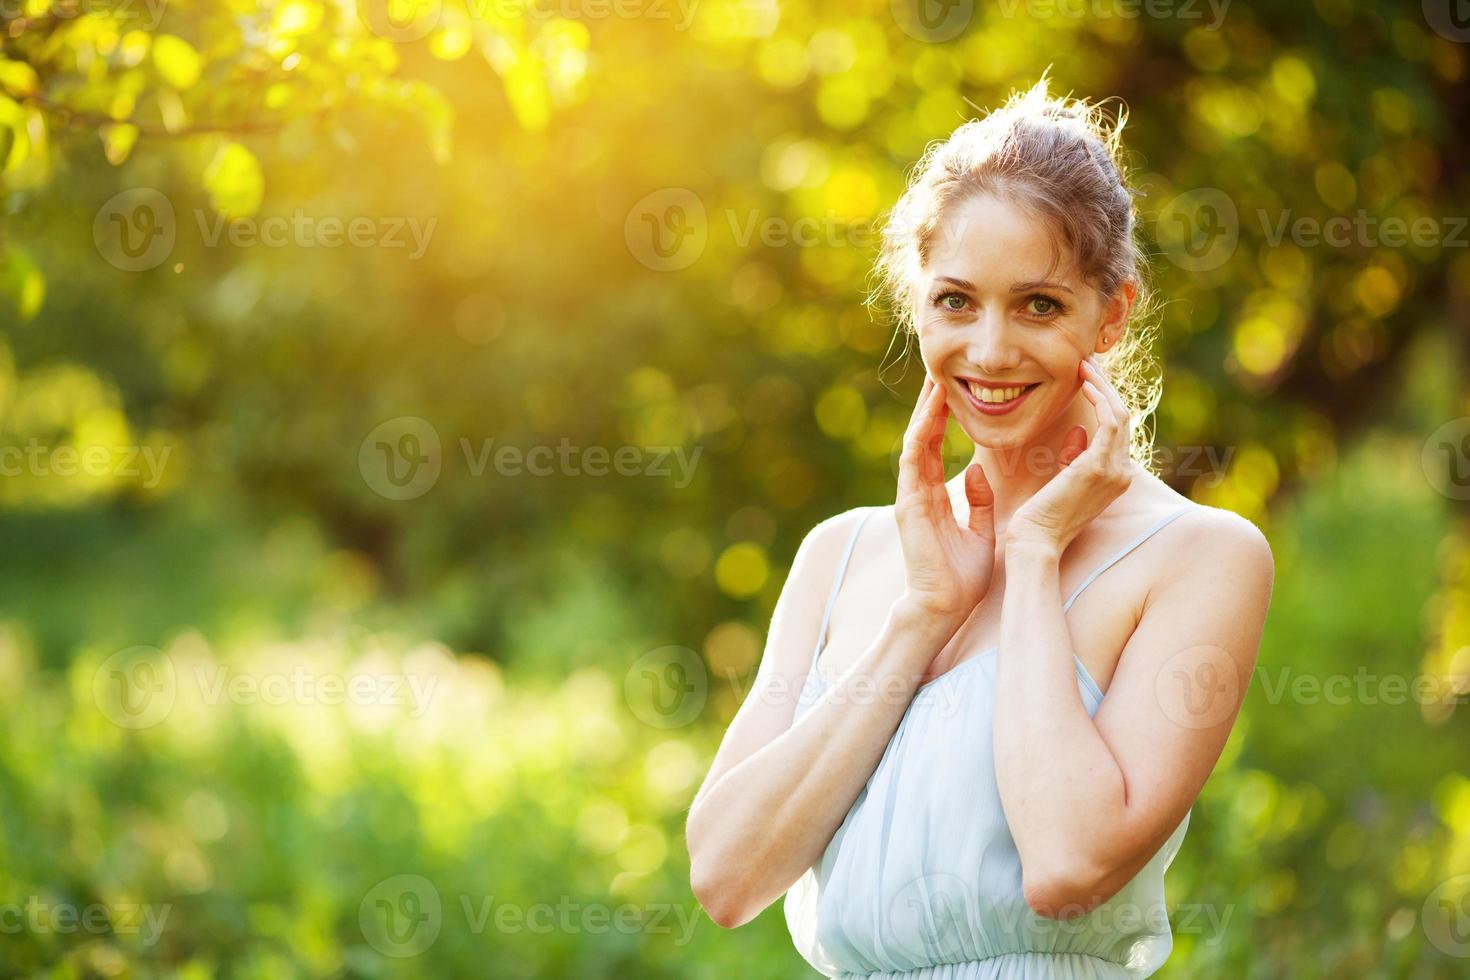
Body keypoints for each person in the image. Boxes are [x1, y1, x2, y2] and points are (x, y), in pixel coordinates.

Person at [686, 76, 1275, 978]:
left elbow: (1069, 864)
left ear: (1110, 315)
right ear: (917, 306)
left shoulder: (1203, 558)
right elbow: (726, 878)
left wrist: (1035, 556)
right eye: (956, 302)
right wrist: (922, 615)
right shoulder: (840, 556)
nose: (991, 351)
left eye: (1039, 304)